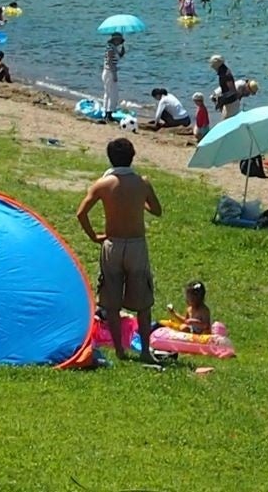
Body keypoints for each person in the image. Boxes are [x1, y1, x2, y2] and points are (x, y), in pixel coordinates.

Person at [75, 139, 163, 364]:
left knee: (111, 302)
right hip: (136, 245)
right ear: (133, 156)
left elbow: (81, 213)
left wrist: (94, 236)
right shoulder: (142, 183)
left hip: (112, 244)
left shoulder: (103, 184)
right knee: (143, 302)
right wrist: (138, 203)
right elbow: (157, 210)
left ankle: (120, 351)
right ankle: (144, 351)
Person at [209, 54, 241, 120]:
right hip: (229, 103)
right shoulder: (223, 72)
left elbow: (232, 91)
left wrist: (221, 96)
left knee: (227, 123)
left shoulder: (226, 75)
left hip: (232, 104)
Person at [102, 33, 126, 116]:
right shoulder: (110, 48)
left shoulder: (113, 48)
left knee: (109, 92)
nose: (119, 42)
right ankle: (108, 112)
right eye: (119, 40)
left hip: (109, 71)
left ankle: (107, 111)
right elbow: (109, 61)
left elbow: (116, 57)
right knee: (112, 93)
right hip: (110, 71)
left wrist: (122, 52)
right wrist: (114, 74)